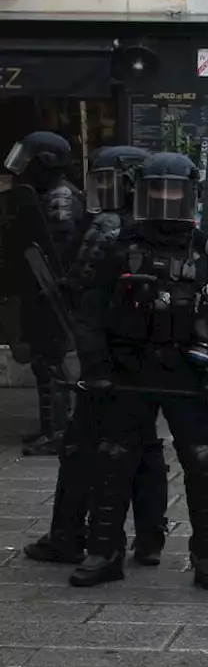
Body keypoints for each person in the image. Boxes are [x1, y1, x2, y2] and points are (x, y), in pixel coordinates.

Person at [71, 152, 208, 589]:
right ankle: (103, 550)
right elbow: (89, 311)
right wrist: (96, 366)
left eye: (175, 192)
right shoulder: (118, 245)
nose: (166, 201)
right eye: (157, 192)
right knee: (113, 458)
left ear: (192, 196)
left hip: (189, 370)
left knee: (203, 461)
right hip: (129, 368)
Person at [23, 145, 171, 567]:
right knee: (145, 445)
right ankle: (150, 539)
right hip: (152, 356)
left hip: (107, 354)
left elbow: (80, 290)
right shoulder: (166, 224)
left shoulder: (107, 225)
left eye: (107, 180)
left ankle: (69, 536)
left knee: (81, 446)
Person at [2, 131, 86, 456]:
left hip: (52, 294)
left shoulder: (61, 198)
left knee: (51, 361)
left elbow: (57, 252)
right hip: (37, 291)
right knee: (42, 361)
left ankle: (59, 430)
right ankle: (50, 425)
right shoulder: (43, 193)